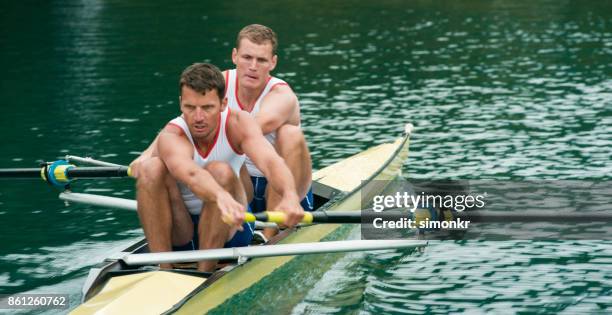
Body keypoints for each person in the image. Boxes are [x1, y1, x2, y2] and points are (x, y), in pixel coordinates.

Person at [135, 63, 303, 272]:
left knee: (220, 171)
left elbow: (270, 161)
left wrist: (289, 194)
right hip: (183, 231)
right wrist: (218, 196)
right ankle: (164, 269)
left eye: (207, 108)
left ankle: (204, 275)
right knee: (150, 169)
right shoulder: (172, 135)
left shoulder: (238, 123)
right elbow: (190, 173)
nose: (198, 118)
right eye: (190, 107)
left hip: (232, 227)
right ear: (180, 103)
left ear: (223, 103)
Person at [224, 24, 313, 237]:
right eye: (247, 57)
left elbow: (256, 126)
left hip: (281, 185)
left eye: (261, 60)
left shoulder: (282, 95)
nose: (253, 66)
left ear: (272, 62)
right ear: (234, 56)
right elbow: (183, 124)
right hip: (242, 183)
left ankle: (269, 236)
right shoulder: (218, 85)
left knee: (290, 135)